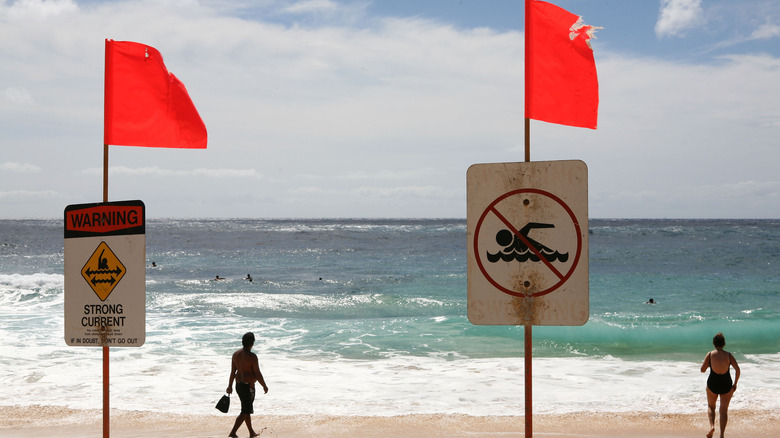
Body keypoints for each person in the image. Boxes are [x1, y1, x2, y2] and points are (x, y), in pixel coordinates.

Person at [227, 332, 269, 437]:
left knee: (246, 408)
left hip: (238, 385)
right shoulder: (252, 357)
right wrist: (264, 385)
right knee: (245, 410)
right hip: (248, 387)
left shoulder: (235, 354)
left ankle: (251, 432)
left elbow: (233, 372)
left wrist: (230, 386)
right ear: (252, 343)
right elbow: (257, 373)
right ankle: (233, 432)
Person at [700, 332, 740, 438]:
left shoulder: (710, 355)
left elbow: (702, 370)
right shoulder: (729, 355)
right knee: (723, 410)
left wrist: (709, 363)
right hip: (726, 384)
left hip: (713, 383)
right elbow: (737, 370)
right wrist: (735, 384)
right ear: (724, 343)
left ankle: (712, 426)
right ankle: (722, 435)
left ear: (714, 343)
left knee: (711, 406)